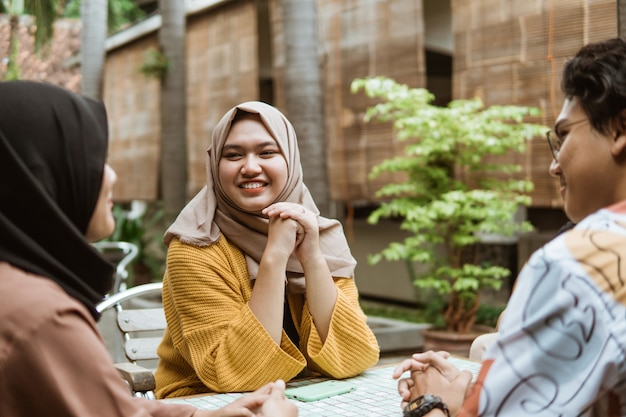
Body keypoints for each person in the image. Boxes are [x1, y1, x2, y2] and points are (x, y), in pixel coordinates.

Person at [0, 80, 297, 417]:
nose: (112, 176)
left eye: (268, 152)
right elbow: (237, 371)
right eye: (95, 159)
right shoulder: (41, 318)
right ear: (44, 175)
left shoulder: (19, 290)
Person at [393, 37, 626, 417]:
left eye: (563, 135)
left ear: (620, 129)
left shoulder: (580, 263)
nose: (554, 165)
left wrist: (429, 403)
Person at [154, 101, 380, 398]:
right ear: (214, 166)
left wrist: (311, 257)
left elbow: (356, 355)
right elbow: (232, 374)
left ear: (291, 159)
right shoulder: (196, 248)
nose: (250, 167)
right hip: (205, 403)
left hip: (302, 397)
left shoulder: (320, 236)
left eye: (267, 153)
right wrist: (275, 257)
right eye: (233, 155)